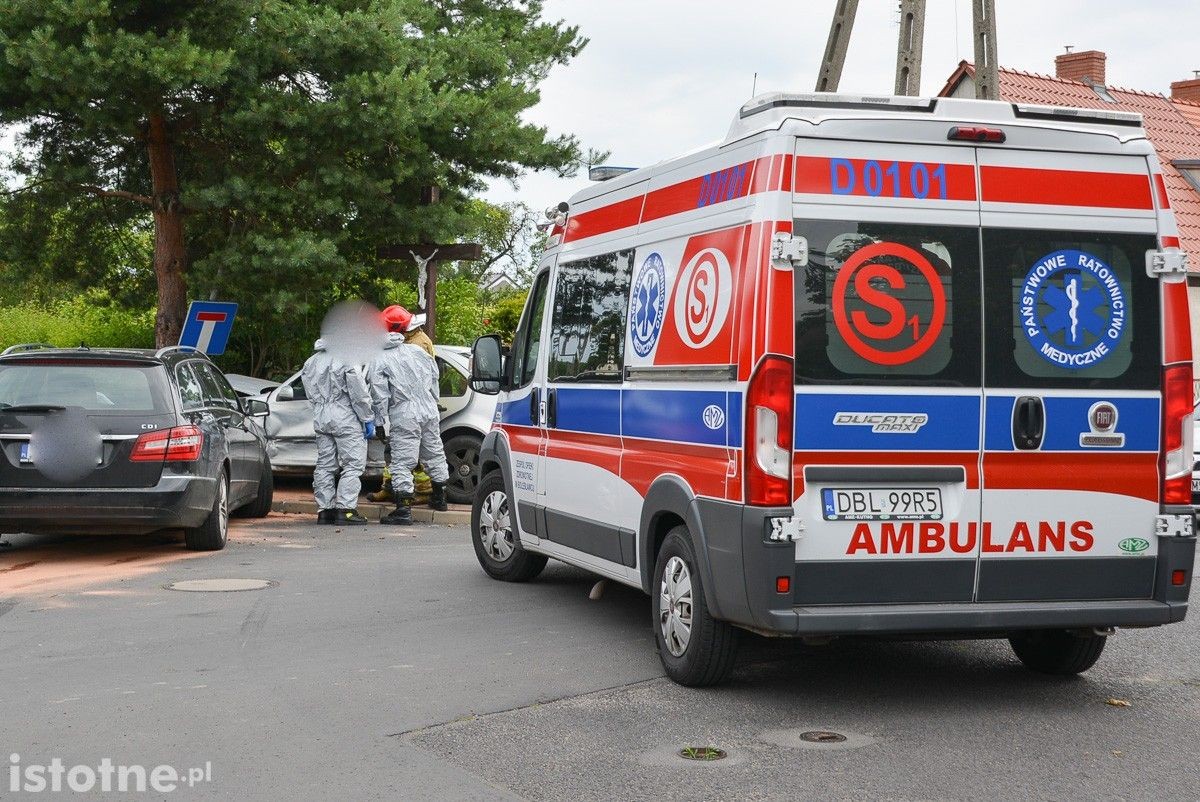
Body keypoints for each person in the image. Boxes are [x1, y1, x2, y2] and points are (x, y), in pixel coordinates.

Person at [370, 318, 450, 525]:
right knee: (433, 452)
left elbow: (380, 395)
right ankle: (440, 498)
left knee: (402, 462)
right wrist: (433, 403)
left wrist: (380, 422)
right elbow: (434, 380)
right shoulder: (418, 352)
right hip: (429, 410)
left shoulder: (381, 359)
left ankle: (403, 511)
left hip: (405, 413)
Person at [301, 338, 375, 525]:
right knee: (352, 464)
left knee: (325, 465)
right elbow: (358, 393)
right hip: (345, 417)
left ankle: (325, 511)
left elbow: (309, 392)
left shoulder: (311, 362)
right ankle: (346, 510)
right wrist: (367, 418)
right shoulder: (347, 359)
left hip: (321, 416)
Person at [368, 305, 438, 503]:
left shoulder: (416, 345)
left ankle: (420, 491)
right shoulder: (413, 340)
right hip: (406, 408)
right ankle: (389, 487)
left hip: (408, 409)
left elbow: (415, 379)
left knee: (405, 454)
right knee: (395, 451)